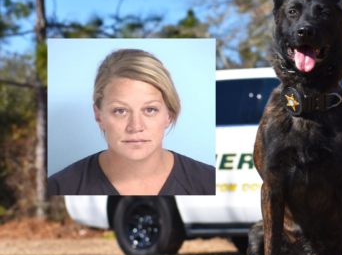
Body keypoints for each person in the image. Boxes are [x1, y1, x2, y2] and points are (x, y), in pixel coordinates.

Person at [48, 49, 216, 195]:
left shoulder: (210, 182)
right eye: (120, 111)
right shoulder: (59, 187)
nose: (136, 126)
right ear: (99, 116)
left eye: (150, 110)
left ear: (169, 115)